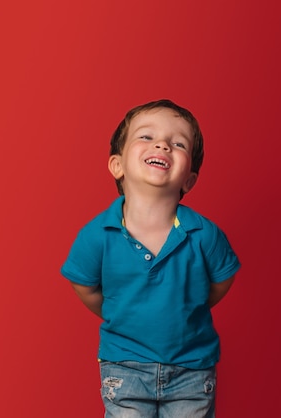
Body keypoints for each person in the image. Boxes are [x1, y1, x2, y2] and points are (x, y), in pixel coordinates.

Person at [61, 99, 241, 417]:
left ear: (190, 180)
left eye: (178, 142)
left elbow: (221, 281)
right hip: (124, 366)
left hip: (192, 370)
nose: (162, 144)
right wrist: (119, 311)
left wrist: (186, 305)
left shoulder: (205, 234)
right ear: (117, 165)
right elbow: (84, 285)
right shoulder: (96, 234)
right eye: (146, 137)